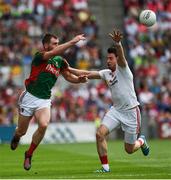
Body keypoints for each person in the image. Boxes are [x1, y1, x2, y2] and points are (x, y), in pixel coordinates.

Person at [69, 29, 150, 172]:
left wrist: (118, 43)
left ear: (117, 59)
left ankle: (141, 141)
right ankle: (105, 168)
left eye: (111, 58)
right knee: (99, 134)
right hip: (116, 111)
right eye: (107, 58)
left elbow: (123, 57)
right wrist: (68, 68)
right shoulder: (106, 74)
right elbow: (87, 73)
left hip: (131, 112)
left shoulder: (124, 69)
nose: (108, 61)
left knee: (129, 149)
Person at [10, 33, 88, 170]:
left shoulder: (60, 61)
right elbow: (53, 53)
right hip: (29, 97)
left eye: (58, 43)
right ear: (46, 45)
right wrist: (72, 42)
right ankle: (17, 136)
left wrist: (78, 80)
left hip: (44, 100)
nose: (56, 46)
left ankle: (28, 154)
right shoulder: (39, 56)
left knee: (44, 125)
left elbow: (69, 76)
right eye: (54, 43)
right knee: (22, 131)